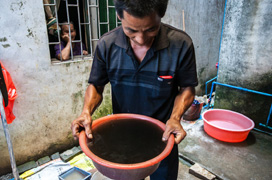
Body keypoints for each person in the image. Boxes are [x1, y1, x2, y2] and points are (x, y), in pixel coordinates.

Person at [71, 0, 198, 179]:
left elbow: (187, 89)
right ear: (119, 16)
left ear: (161, 16)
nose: (141, 39)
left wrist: (175, 118)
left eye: (150, 29)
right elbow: (96, 86)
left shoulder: (180, 44)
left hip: (163, 137)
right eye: (131, 31)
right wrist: (86, 112)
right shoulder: (107, 44)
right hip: (122, 138)